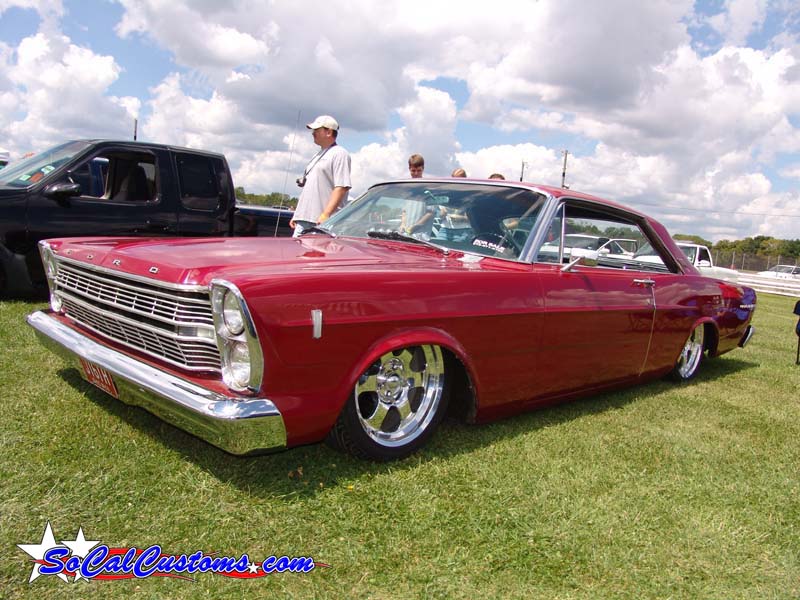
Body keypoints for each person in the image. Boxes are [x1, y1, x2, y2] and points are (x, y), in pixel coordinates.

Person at [291, 115, 351, 237]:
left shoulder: (340, 153)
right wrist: (297, 215)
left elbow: (341, 187)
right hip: (304, 220)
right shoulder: (317, 155)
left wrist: (326, 214)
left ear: (329, 132)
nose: (313, 133)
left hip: (321, 223)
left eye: (317, 130)